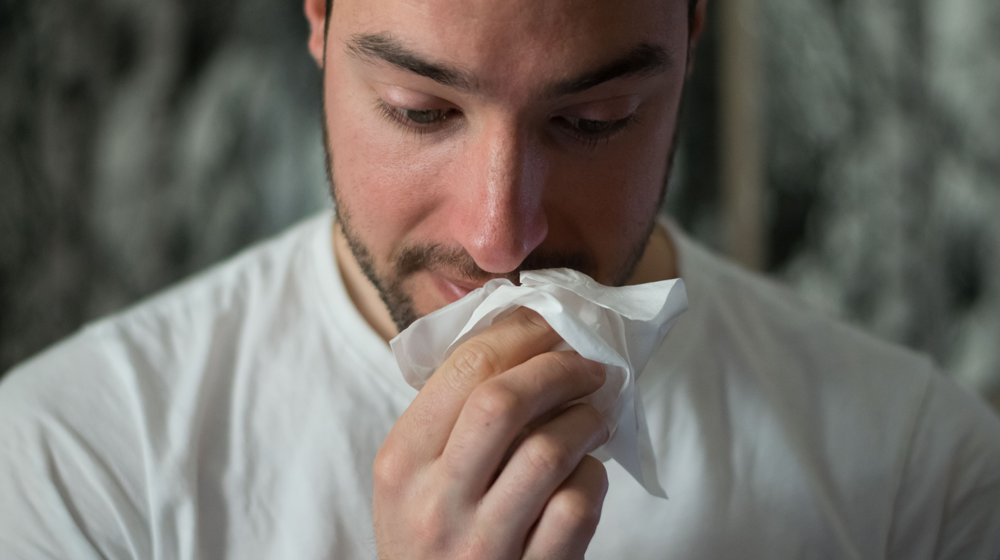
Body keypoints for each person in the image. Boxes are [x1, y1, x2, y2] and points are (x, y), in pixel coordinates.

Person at [1, 0, 999, 557]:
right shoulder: (80, 467)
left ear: (691, 32)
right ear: (316, 16)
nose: (499, 236)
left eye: (593, 119)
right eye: (420, 110)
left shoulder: (918, 475)